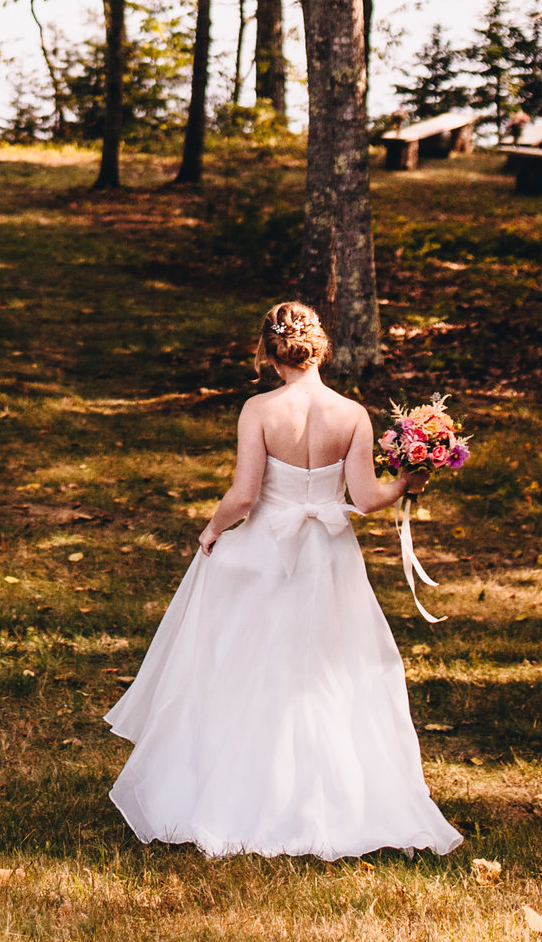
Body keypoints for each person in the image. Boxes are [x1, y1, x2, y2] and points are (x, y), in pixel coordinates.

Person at [104, 299, 464, 860]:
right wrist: (407, 483)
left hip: (266, 553)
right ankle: (339, 801)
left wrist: (210, 530)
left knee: (249, 670)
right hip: (331, 558)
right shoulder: (352, 416)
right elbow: (367, 499)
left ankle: (241, 795)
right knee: (331, 671)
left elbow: (244, 496)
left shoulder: (259, 410)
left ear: (270, 356)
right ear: (321, 348)